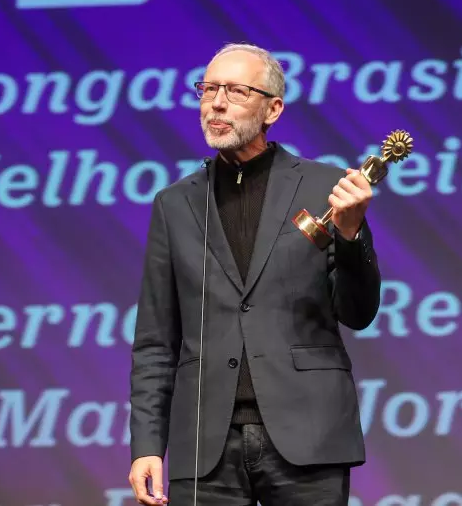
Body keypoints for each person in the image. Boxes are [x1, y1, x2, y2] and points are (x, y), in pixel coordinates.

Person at [127, 43, 382, 505]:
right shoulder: (175, 204)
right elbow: (155, 340)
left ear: (273, 109)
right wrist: (147, 445)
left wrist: (349, 233)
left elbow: (359, 312)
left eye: (236, 91)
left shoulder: (326, 188)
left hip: (308, 433)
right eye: (208, 90)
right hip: (205, 442)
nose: (217, 103)